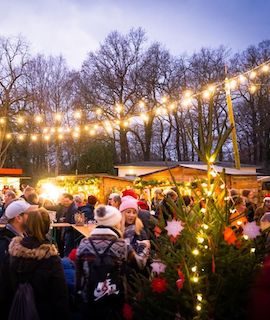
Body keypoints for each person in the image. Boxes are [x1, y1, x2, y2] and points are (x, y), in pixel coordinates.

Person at [8, 208, 70, 320]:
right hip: (44, 312)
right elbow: (60, 295)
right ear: (47, 227)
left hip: (17, 309)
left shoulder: (13, 251)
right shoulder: (50, 257)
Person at [76, 205, 127, 320]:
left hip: (89, 296)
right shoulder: (121, 245)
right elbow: (125, 271)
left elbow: (79, 274)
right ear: (114, 223)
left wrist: (78, 292)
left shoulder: (84, 243)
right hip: (114, 298)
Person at [0, 200, 36, 319]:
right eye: (29, 214)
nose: (33, 217)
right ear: (18, 218)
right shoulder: (5, 243)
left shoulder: (21, 237)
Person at [120, 197, 150, 271]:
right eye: (128, 212)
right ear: (122, 213)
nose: (132, 215)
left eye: (134, 212)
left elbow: (144, 254)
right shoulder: (118, 230)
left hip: (135, 273)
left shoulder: (139, 230)